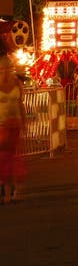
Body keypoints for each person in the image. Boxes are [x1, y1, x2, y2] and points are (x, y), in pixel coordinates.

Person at [0, 54, 27, 203]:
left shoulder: (17, 84)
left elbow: (21, 103)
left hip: (15, 124)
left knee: (13, 158)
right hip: (1, 126)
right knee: (3, 158)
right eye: (2, 70)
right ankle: (6, 191)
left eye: (8, 69)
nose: (5, 72)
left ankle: (14, 190)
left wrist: (24, 121)